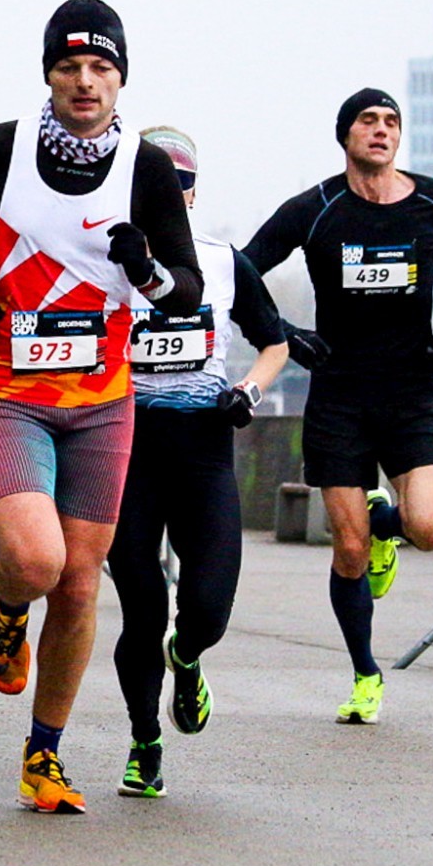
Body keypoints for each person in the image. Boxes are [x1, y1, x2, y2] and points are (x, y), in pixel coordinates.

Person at [0, 0, 202, 814]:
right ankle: (6, 603)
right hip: (8, 386)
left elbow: (183, 291)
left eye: (101, 68)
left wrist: (145, 270)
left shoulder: (144, 169)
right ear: (49, 72)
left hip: (102, 398)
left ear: (121, 79)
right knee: (38, 562)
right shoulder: (0, 148)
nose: (85, 81)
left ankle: (44, 755)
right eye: (70, 66)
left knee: (79, 585)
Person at [243, 88, 433, 726]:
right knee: (347, 550)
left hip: (411, 393)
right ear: (345, 136)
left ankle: (386, 527)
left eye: (391, 122)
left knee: (430, 527)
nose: (381, 130)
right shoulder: (315, 210)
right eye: (368, 121)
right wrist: (287, 334)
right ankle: (366, 675)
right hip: (339, 395)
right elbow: (243, 272)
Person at [107, 126, 289, 799]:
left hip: (204, 444)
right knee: (143, 605)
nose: (172, 195)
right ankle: (144, 743)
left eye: (182, 184)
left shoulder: (219, 260)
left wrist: (248, 390)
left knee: (206, 609)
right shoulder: (104, 260)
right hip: (128, 447)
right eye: (158, 184)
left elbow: (274, 344)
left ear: (193, 190)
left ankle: (187, 659)